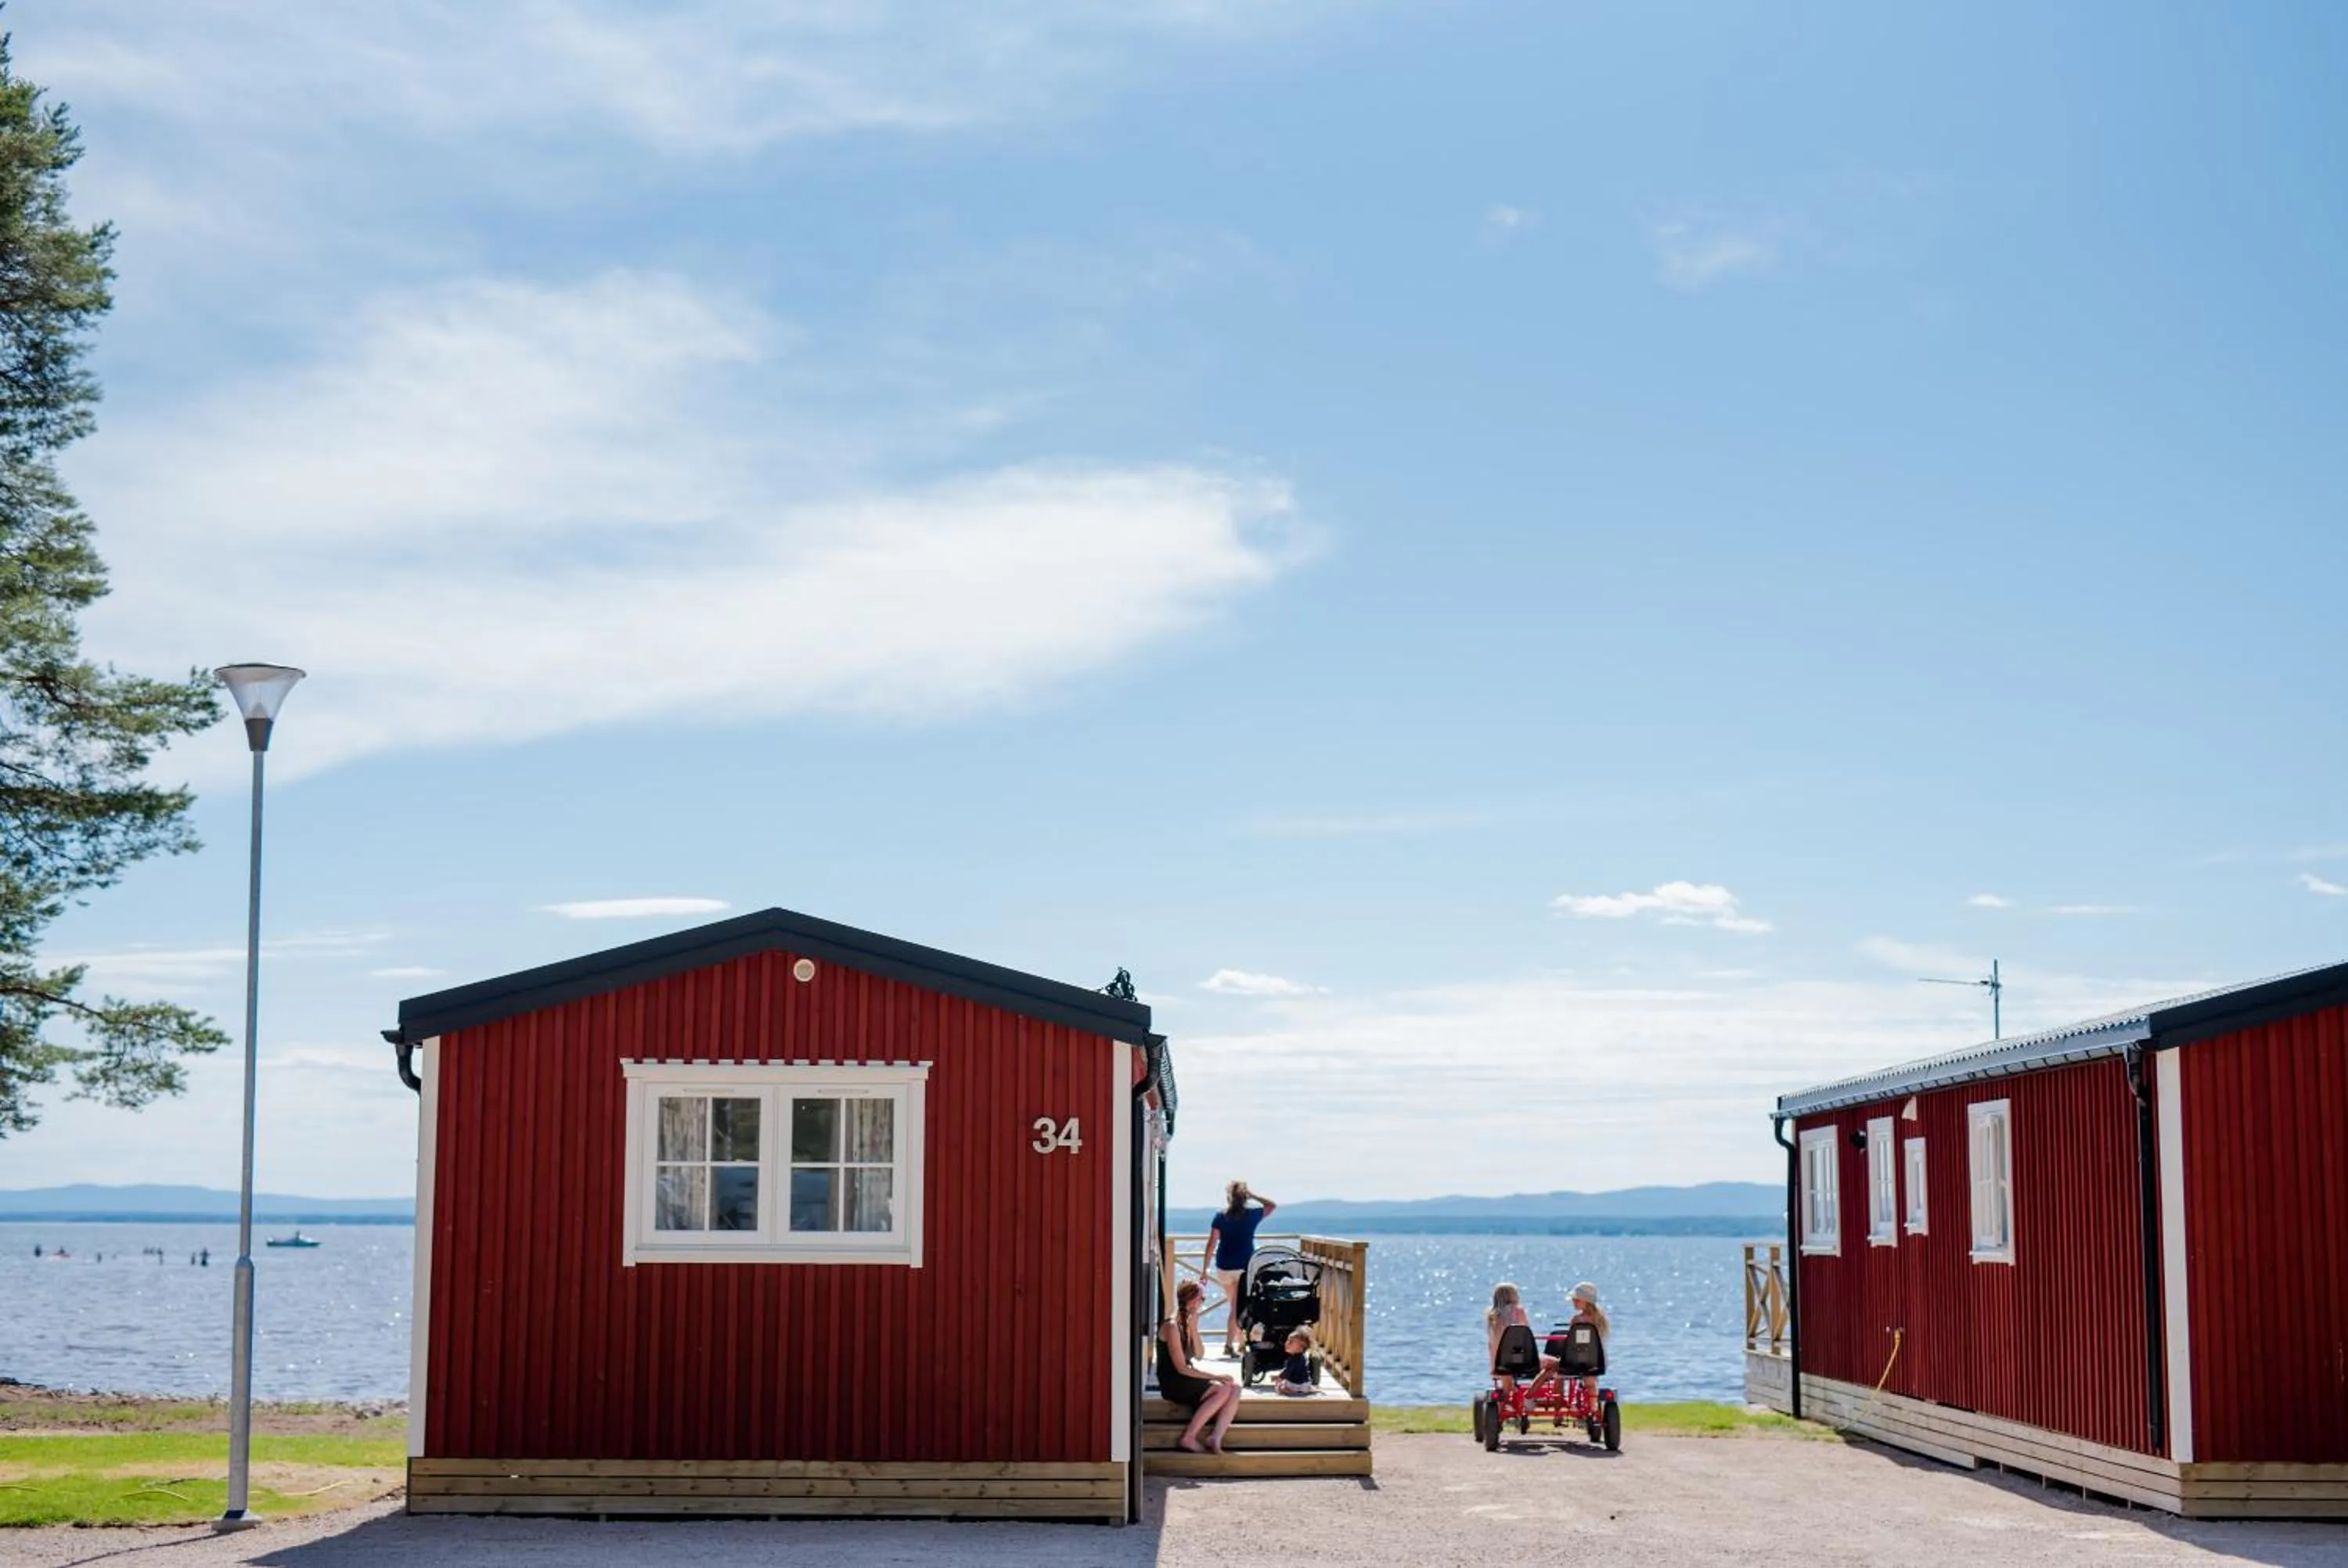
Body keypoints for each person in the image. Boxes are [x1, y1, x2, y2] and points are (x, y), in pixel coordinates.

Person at [1157, 1281, 1241, 1453]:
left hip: (1186, 1376)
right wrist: (1217, 1377)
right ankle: (1189, 1437)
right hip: (1174, 1381)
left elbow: (1200, 1354)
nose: (1202, 1302)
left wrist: (1194, 1329)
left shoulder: (1186, 1323)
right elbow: (1181, 1368)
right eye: (1201, 1299)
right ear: (1192, 1300)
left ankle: (1216, 1437)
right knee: (1223, 1389)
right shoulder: (1172, 1326)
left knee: (1236, 1388)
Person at [1203, 1180, 1276, 1356]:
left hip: (1224, 1268)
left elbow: (1211, 1244)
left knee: (1235, 1306)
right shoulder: (1252, 1215)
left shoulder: (1220, 1216)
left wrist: (1204, 1269)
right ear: (1245, 1198)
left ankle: (1241, 1343)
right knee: (1237, 1308)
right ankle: (1230, 1345)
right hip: (1243, 1268)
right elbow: (1271, 1205)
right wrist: (1254, 1195)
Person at [1565, 1280, 1611, 1401]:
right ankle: (1593, 1405)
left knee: (1554, 1370)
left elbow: (1573, 1343)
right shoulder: (1601, 1319)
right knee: (1591, 1381)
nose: (1573, 1302)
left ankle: (1558, 1404)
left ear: (1586, 1301)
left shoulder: (1577, 1320)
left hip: (1580, 1359)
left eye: (1577, 1300)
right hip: (1598, 1360)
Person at [1273, 1328, 1317, 1396]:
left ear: (1301, 1347)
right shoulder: (1302, 1357)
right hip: (1305, 1384)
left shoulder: (1295, 1359)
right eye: (1287, 1340)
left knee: (1279, 1386)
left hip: (1295, 1384)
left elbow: (1288, 1371)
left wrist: (1280, 1377)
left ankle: (1290, 1390)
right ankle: (1305, 1389)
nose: (1287, 1343)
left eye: (1290, 1342)